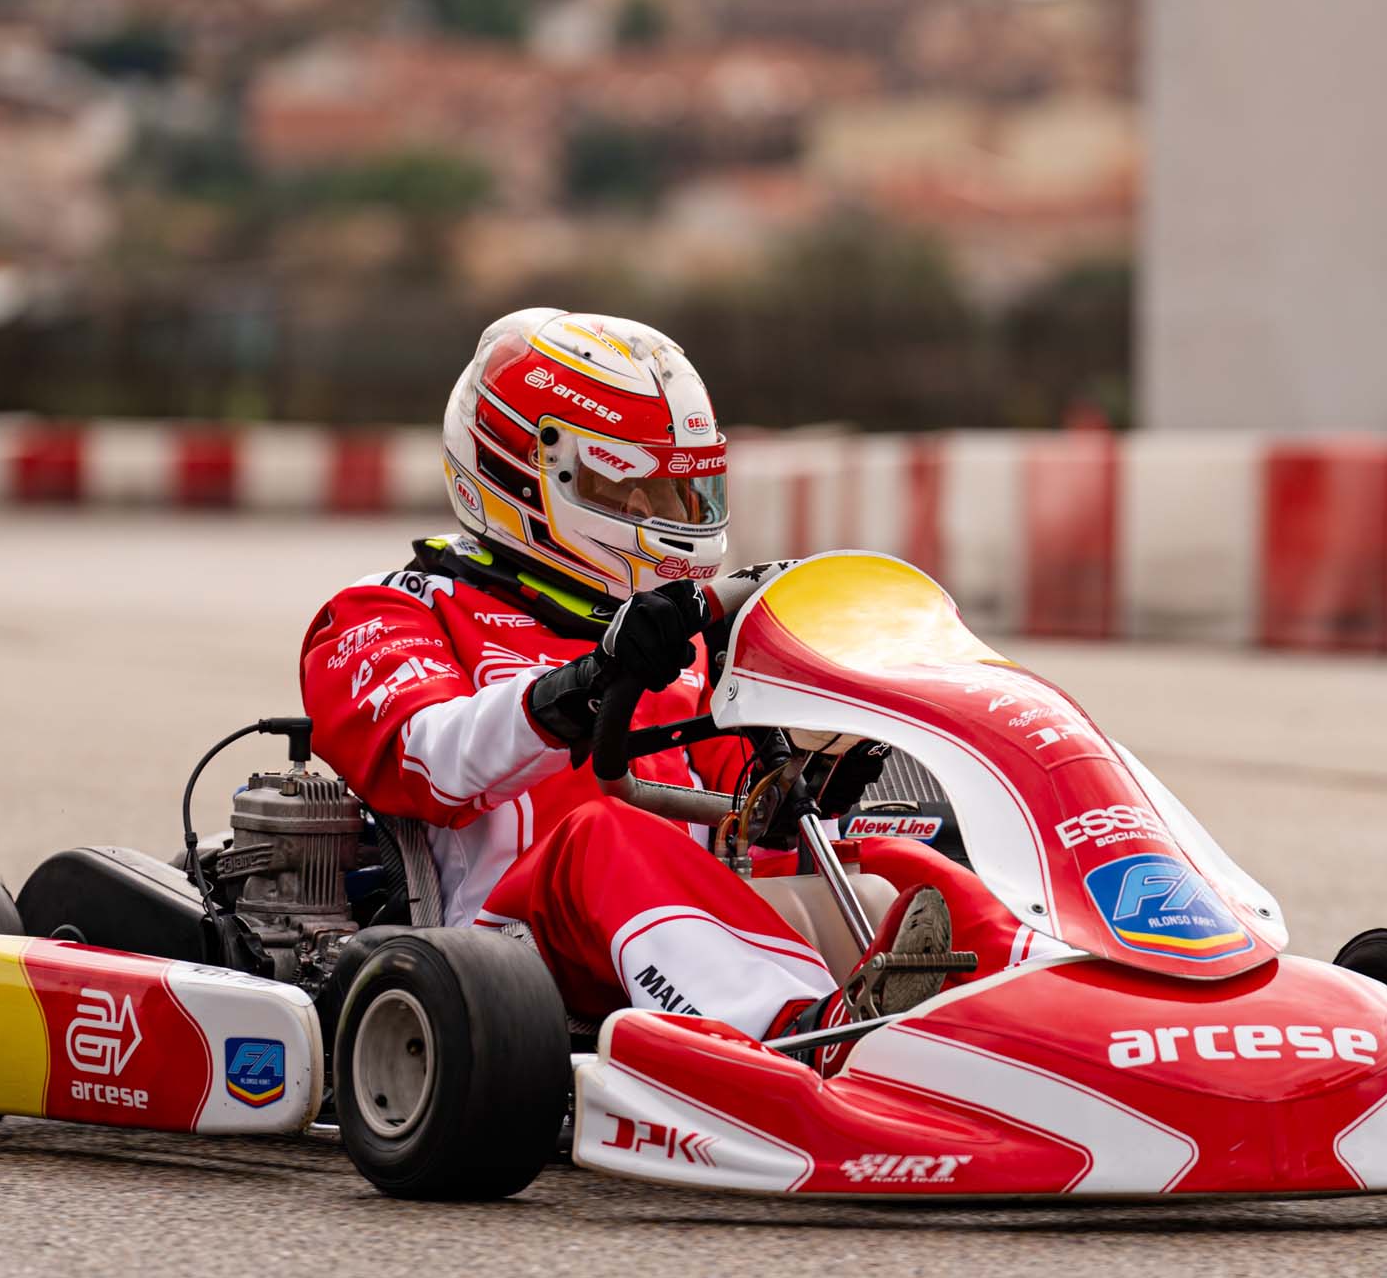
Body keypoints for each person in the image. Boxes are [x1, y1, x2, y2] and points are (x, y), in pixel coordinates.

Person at [297, 307, 999, 1046]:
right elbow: (426, 761)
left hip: (676, 936)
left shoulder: (671, 636)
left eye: (673, 492)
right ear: (524, 472)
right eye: (629, 492)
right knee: (608, 832)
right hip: (502, 954)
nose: (660, 515)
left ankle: (1022, 1001)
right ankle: (803, 1034)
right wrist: (590, 681)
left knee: (894, 849)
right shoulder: (389, 608)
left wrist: (836, 738)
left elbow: (750, 811)